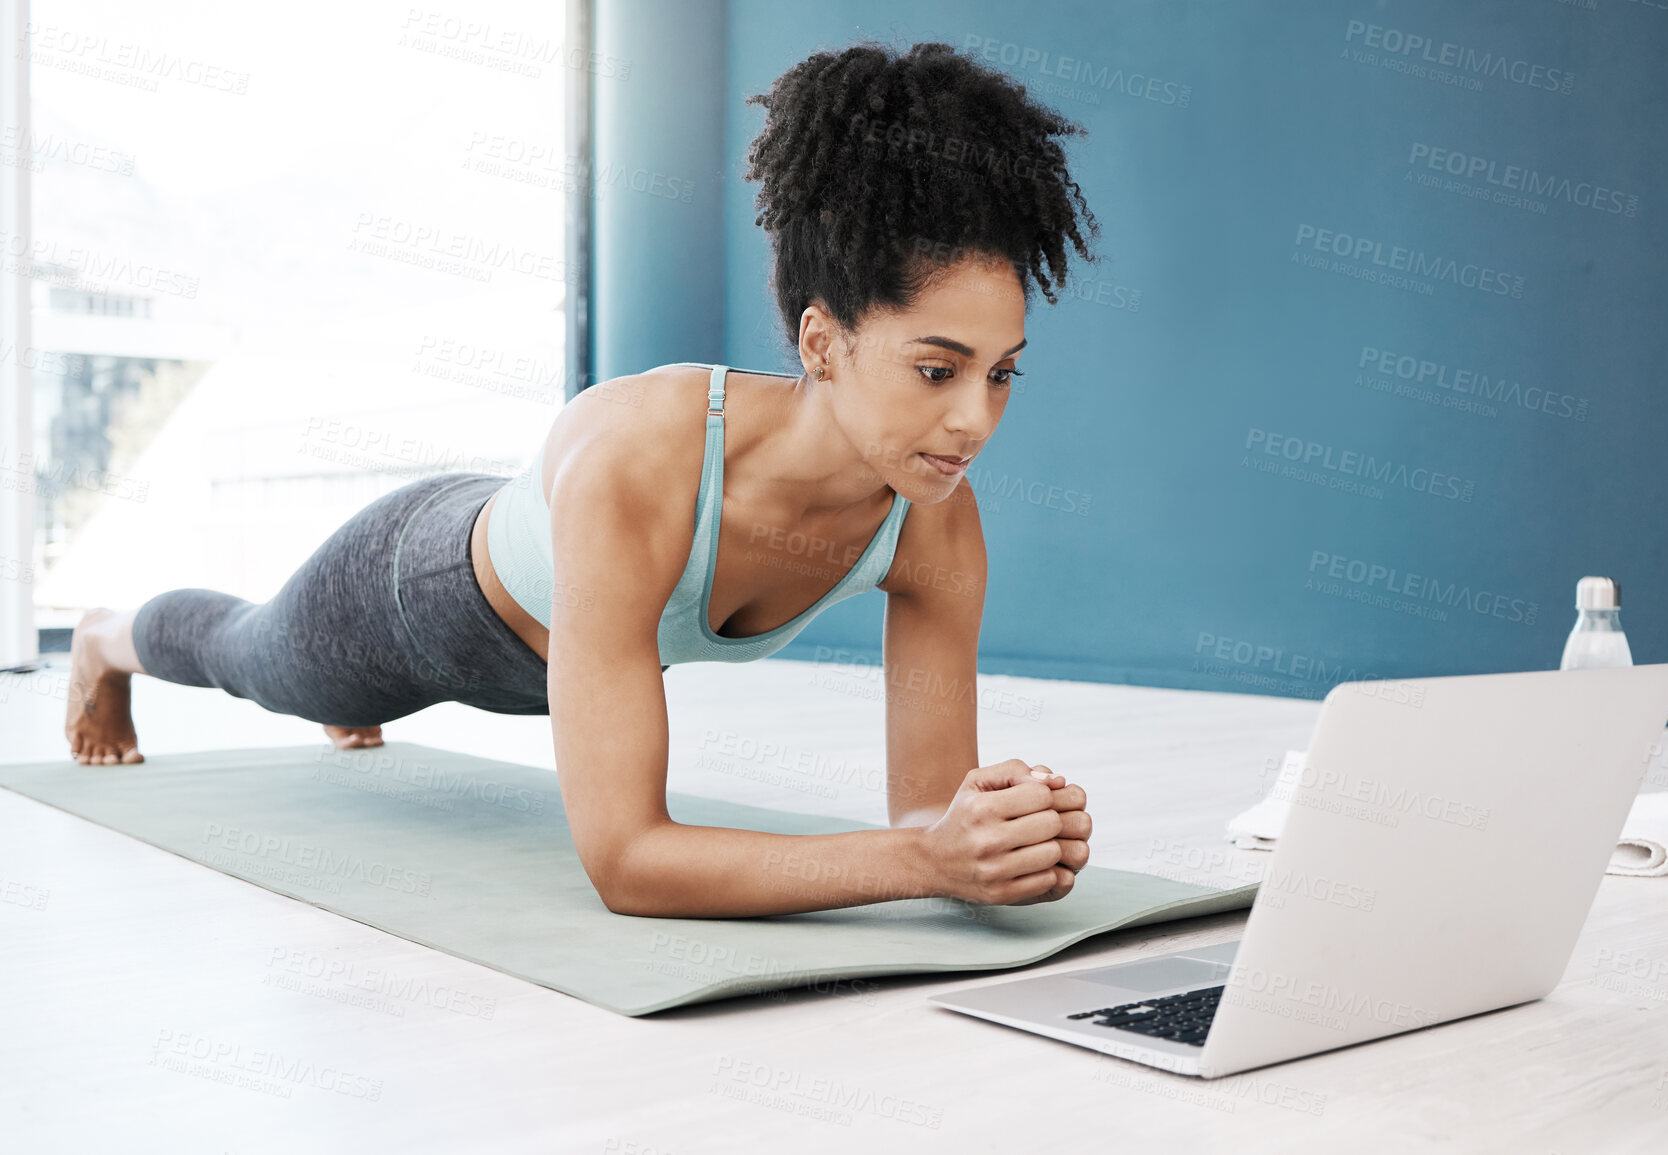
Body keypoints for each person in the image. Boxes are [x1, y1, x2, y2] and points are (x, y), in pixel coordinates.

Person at [62, 39, 1105, 919]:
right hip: (418, 594)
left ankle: (343, 695)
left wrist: (990, 835)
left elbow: (926, 813)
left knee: (327, 687)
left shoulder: (934, 522)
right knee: (260, 662)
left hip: (554, 653)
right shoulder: (638, 462)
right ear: (822, 343)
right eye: (936, 370)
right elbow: (627, 862)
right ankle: (108, 638)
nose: (975, 419)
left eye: (1000, 373)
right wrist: (922, 865)